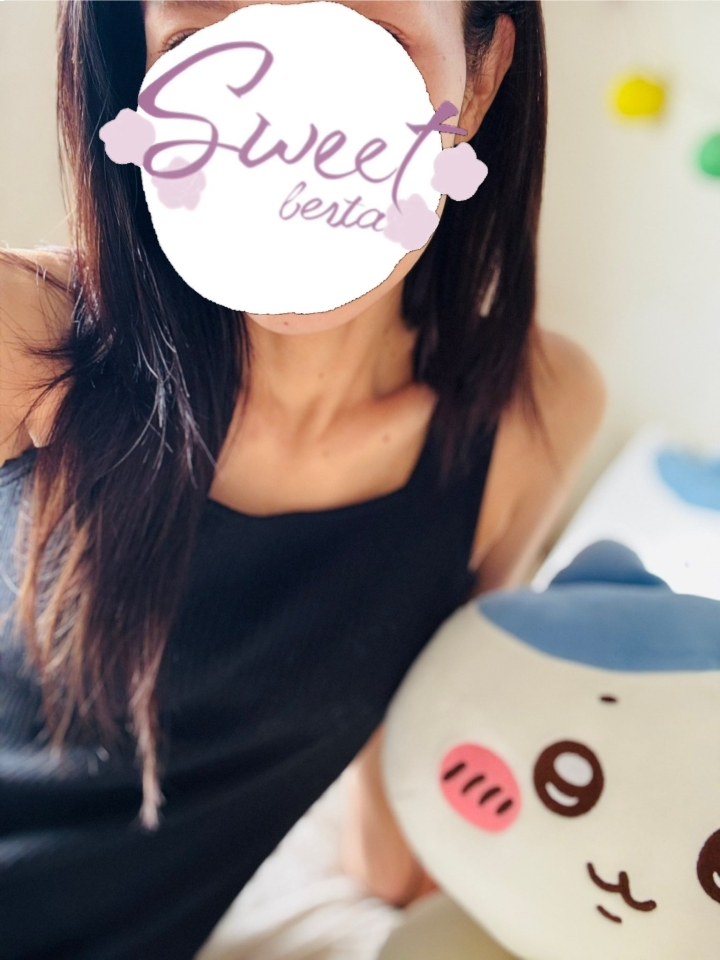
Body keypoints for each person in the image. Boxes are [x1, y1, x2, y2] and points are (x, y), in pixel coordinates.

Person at [0, 1, 605, 958]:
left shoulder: (528, 413)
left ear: (481, 80)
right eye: (202, 43)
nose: (280, 124)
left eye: (370, 40)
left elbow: (391, 855)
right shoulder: (27, 332)